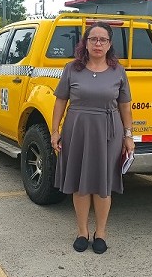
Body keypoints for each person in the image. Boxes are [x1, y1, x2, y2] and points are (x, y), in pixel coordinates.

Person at [50, 21, 134, 254]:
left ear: (109, 44)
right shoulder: (72, 69)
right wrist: (55, 130)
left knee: (103, 184)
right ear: (85, 43)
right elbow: (60, 100)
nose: (98, 44)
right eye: (93, 39)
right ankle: (81, 232)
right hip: (77, 129)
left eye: (103, 40)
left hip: (108, 132)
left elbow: (125, 105)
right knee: (80, 182)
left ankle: (101, 232)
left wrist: (128, 135)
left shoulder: (118, 71)